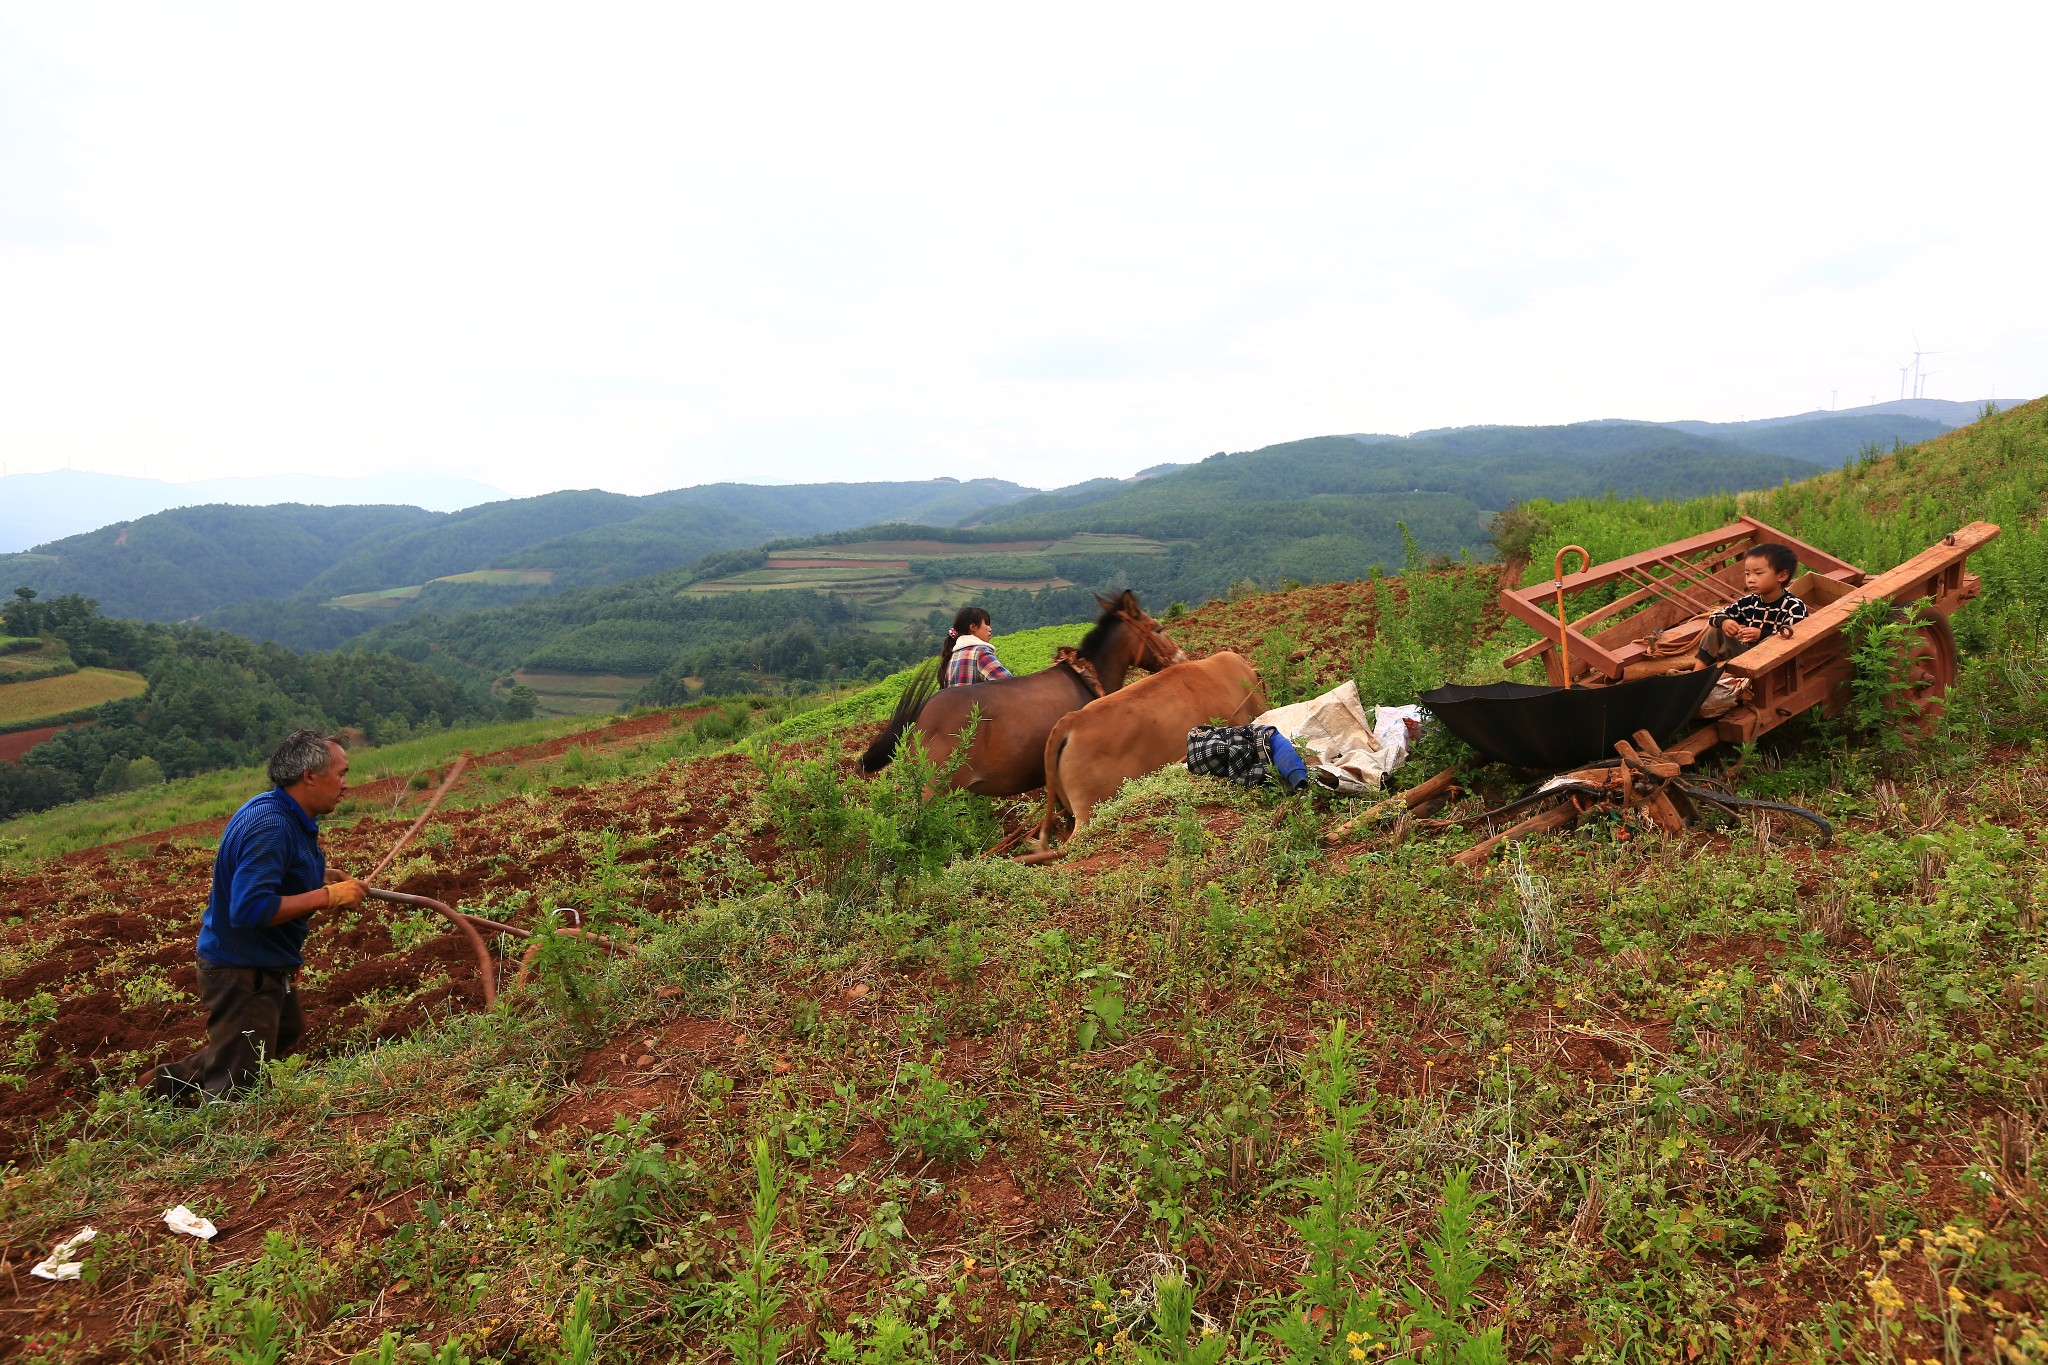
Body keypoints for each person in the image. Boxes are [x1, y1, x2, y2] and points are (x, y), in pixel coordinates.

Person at [150, 730, 365, 1101]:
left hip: (262, 963)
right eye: (341, 774)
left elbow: (275, 874)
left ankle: (166, 1084)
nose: (346, 785)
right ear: (309, 776)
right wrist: (326, 896)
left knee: (282, 1030)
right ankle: (217, 1142)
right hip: (243, 969)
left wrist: (320, 878)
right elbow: (250, 909)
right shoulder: (272, 826)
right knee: (238, 1084)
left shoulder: (276, 809)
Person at [1695, 543, 1807, 669]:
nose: (1750, 579)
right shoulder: (1749, 601)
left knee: (1774, 642)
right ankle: (1696, 675)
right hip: (1746, 656)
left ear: (1782, 576)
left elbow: (1794, 636)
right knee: (1715, 629)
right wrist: (1724, 621)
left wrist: (1762, 634)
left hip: (1773, 663)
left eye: (1758, 574)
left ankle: (1727, 678)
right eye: (1747, 574)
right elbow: (1715, 616)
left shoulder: (1793, 606)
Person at [939, 606, 1012, 688]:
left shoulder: (951, 657)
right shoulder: (980, 651)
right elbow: (1007, 682)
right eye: (986, 624)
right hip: (976, 701)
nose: (990, 629)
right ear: (973, 627)